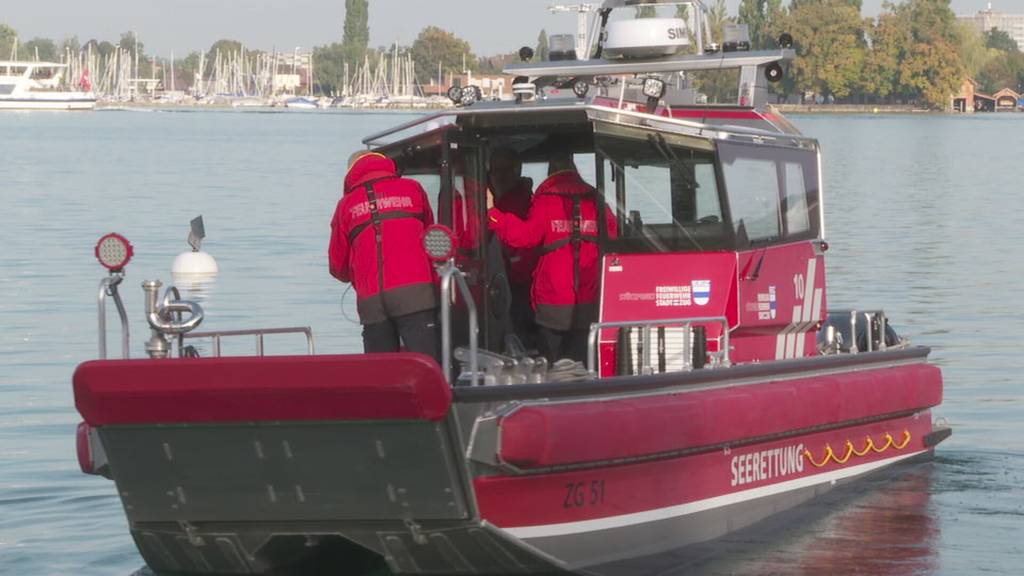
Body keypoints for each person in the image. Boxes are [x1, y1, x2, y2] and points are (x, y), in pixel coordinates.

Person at [487, 152, 617, 363]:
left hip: (553, 300)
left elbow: (524, 237)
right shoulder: (597, 200)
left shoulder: (546, 201)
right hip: (590, 298)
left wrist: (493, 214)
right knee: (584, 363)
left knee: (553, 362)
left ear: (550, 174)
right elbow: (614, 236)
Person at [329, 151, 440, 361]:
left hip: (372, 301)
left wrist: (357, 272)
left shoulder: (346, 205)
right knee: (426, 365)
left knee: (379, 372)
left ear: (352, 172)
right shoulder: (412, 189)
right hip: (416, 294)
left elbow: (337, 266)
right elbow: (431, 237)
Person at [487, 148, 538, 346]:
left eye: (506, 170)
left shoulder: (514, 201)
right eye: (496, 171)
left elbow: (518, 238)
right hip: (511, 279)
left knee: (519, 331)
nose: (500, 176)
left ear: (516, 171)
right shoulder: (513, 197)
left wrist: (490, 211)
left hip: (519, 280)